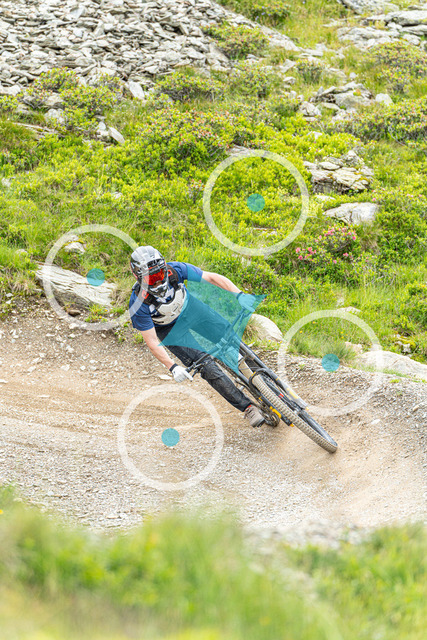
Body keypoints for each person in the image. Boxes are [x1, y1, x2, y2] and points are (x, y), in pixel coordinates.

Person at [128, 245, 265, 427]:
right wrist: (173, 367)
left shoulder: (176, 270)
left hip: (192, 310)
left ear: (165, 268)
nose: (158, 281)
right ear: (138, 278)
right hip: (170, 330)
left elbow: (211, 277)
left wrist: (239, 295)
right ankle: (248, 408)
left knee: (230, 337)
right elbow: (152, 341)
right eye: (151, 278)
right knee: (207, 368)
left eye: (160, 274)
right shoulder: (138, 303)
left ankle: (264, 379)